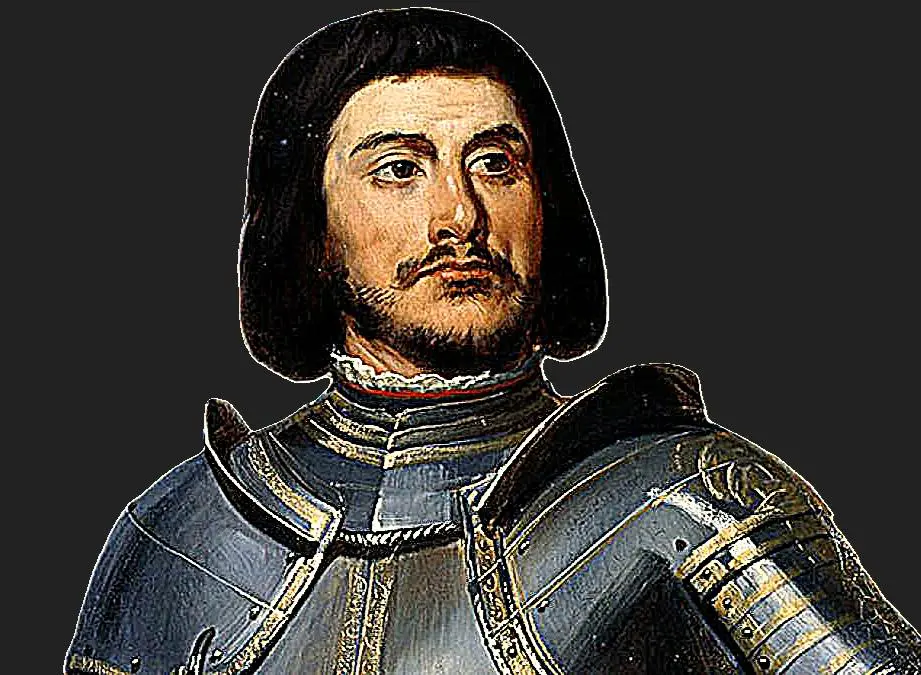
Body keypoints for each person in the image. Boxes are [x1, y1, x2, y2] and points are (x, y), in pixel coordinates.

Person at [66, 8, 920, 674]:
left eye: (494, 163)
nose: (459, 216)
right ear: (312, 230)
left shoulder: (691, 499)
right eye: (399, 169)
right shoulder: (180, 526)